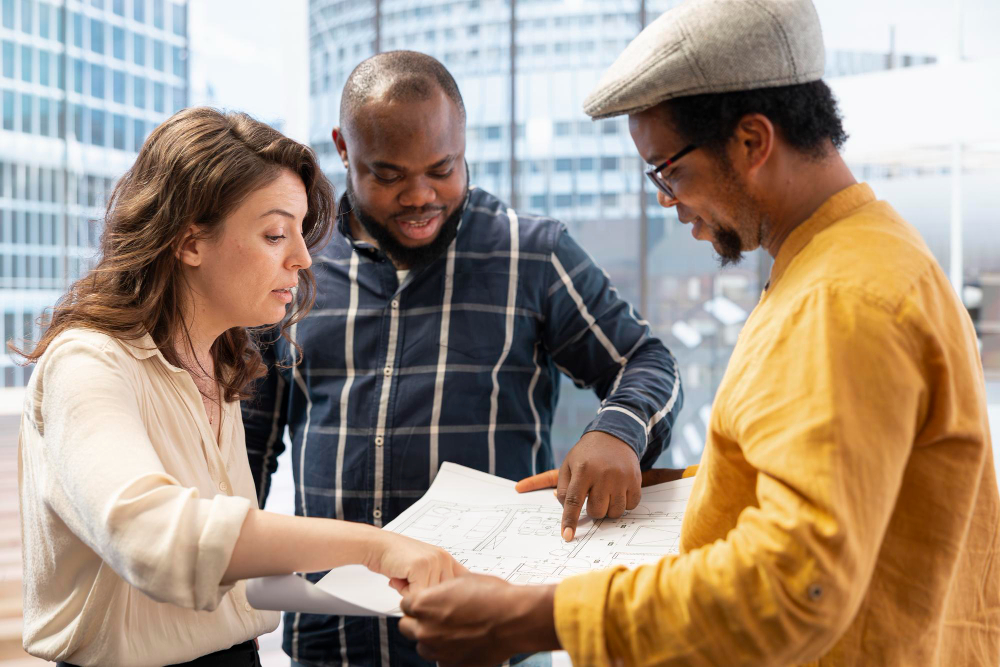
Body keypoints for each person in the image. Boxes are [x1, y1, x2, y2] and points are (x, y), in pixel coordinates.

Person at [396, 0, 1000, 665]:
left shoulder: (842, 298)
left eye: (669, 170)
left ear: (752, 142)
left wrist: (538, 617)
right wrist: (689, 488)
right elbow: (843, 485)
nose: (665, 198)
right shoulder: (854, 254)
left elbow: (798, 583)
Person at [241, 51, 683, 666]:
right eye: (389, 175)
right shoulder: (296, 266)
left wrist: (617, 431)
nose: (420, 197)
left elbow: (646, 360)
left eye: (442, 169)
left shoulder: (533, 256)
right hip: (332, 640)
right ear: (343, 148)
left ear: (464, 142)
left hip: (492, 644)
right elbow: (249, 447)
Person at [13, 107, 465, 667]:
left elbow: (217, 574)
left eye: (300, 232)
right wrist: (374, 546)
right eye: (275, 234)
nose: (302, 258)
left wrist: (362, 587)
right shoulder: (88, 364)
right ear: (189, 242)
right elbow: (157, 541)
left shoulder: (217, 362)